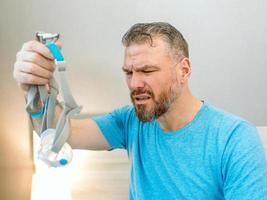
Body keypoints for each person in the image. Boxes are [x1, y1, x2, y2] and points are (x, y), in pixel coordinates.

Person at [13, 22, 267, 199]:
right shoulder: (130, 121)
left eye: (147, 71)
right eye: (128, 72)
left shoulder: (235, 138)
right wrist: (33, 89)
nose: (134, 83)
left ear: (184, 70)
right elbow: (62, 134)